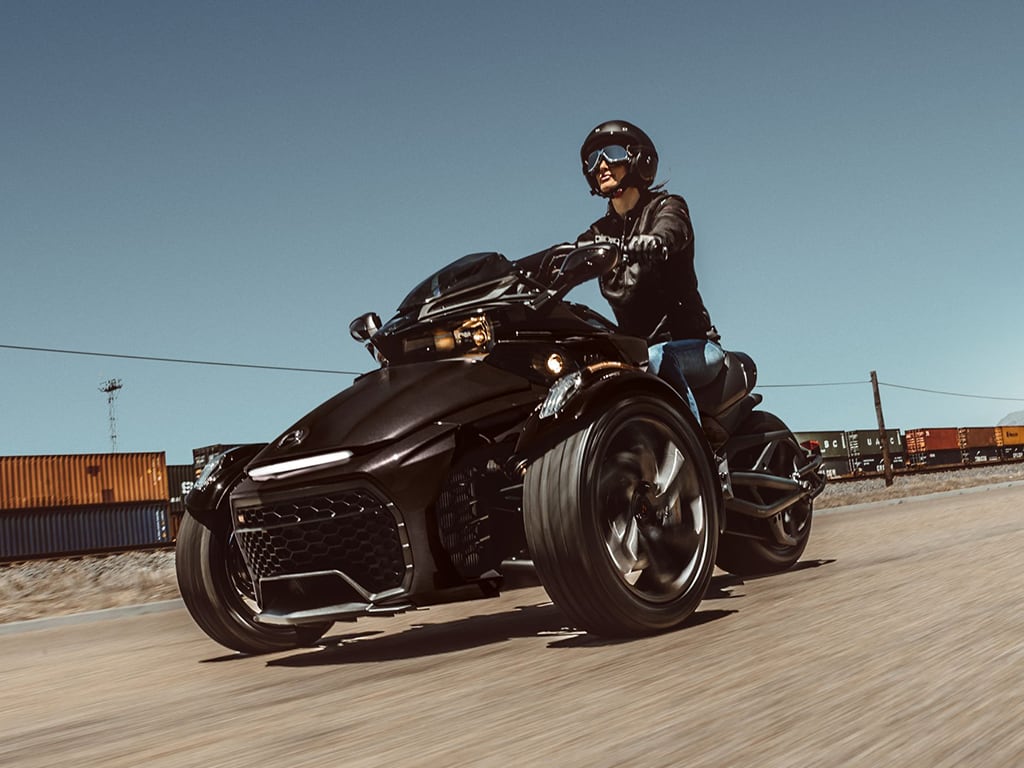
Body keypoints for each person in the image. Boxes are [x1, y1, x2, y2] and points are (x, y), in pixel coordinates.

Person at [576, 119, 724, 423]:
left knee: (657, 359)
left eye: (611, 153)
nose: (601, 165)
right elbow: (569, 255)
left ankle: (691, 458)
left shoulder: (667, 207)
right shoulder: (599, 232)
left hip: (693, 346)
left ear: (638, 159)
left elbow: (673, 229)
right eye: (593, 159)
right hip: (637, 355)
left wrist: (657, 241)